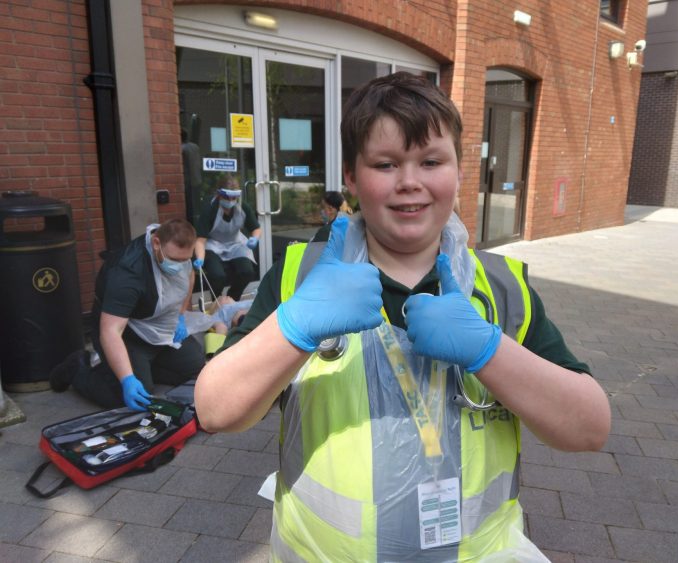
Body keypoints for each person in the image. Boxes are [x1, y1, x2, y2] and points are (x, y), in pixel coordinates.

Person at [195, 72, 611, 561]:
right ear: (351, 177)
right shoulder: (300, 278)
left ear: (459, 171)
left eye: (431, 161)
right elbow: (215, 411)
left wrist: (488, 350)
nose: (410, 182)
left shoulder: (501, 291)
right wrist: (296, 324)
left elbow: (589, 428)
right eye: (386, 163)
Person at [50, 219, 205, 411]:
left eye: (185, 259)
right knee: (133, 396)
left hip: (161, 326)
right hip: (128, 332)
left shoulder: (179, 256)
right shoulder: (128, 272)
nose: (180, 265)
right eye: (174, 260)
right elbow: (110, 331)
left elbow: (188, 276)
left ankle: (143, 367)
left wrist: (181, 315)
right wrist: (127, 379)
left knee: (196, 367)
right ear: (156, 243)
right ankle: (78, 370)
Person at [193, 175, 262, 300]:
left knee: (247, 272)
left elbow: (256, 229)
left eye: (234, 197)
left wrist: (255, 238)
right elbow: (200, 240)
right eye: (226, 197)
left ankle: (232, 299)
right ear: (219, 194)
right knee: (217, 276)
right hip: (212, 244)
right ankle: (217, 301)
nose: (230, 200)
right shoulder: (210, 209)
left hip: (235, 243)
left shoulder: (243, 207)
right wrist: (200, 258)